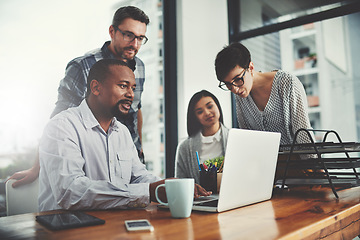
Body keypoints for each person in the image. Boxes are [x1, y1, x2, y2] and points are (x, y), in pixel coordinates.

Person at [39, 59, 210, 211]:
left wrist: (171, 186)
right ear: (96, 88)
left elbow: (138, 177)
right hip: (67, 230)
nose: (131, 94)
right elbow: (71, 192)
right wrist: (149, 192)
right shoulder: (62, 127)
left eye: (133, 88)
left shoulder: (122, 132)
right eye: (123, 86)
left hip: (112, 225)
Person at [8, 6, 149, 187]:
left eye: (140, 38)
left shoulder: (140, 66)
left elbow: (136, 109)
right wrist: (37, 166)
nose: (135, 44)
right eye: (129, 35)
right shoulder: (82, 66)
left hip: (129, 159)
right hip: (94, 162)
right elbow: (58, 118)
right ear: (112, 32)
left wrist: (139, 147)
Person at [214, 42, 312, 145]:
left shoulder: (286, 83)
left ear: (251, 67)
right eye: (228, 84)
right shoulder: (241, 94)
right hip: (263, 161)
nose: (235, 89)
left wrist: (312, 160)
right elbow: (247, 137)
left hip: (296, 160)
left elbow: (304, 134)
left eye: (238, 79)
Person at [175, 90, 229, 184]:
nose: (207, 113)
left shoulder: (234, 138)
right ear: (195, 117)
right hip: (200, 198)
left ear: (218, 106)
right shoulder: (185, 148)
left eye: (210, 106)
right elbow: (180, 183)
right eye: (200, 112)